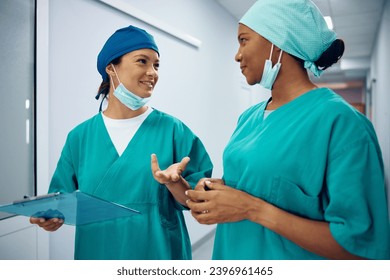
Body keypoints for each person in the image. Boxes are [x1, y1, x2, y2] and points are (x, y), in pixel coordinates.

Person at [186, 0, 390, 260]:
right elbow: (256, 180)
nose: (237, 54)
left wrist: (253, 209)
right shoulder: (248, 118)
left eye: (244, 40)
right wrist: (218, 190)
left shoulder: (343, 124)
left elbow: (361, 248)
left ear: (277, 41)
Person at [30, 25, 213, 260]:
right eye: (142, 61)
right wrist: (50, 217)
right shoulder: (80, 137)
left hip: (159, 254)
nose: (152, 72)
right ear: (111, 68)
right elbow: (59, 199)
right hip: (98, 253)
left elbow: (199, 201)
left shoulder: (173, 131)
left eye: (156, 65)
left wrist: (174, 184)